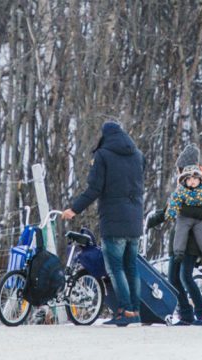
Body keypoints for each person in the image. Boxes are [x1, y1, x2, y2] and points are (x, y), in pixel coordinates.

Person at [61, 121, 144, 327]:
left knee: (116, 268)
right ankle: (135, 311)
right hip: (135, 220)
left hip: (114, 220)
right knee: (131, 267)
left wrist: (74, 209)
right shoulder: (137, 155)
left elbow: (94, 188)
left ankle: (125, 310)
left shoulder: (103, 155)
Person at [147, 144, 202, 326]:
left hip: (193, 241)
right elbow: (170, 209)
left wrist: (181, 207)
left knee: (185, 276)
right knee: (173, 279)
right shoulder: (182, 186)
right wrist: (152, 220)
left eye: (180, 169)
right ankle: (186, 314)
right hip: (178, 240)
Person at [164, 164, 202, 263]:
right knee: (181, 231)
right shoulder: (181, 190)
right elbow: (174, 202)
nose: (192, 181)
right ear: (184, 181)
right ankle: (179, 252)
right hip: (184, 217)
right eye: (188, 179)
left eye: (194, 178)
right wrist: (170, 214)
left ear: (200, 179)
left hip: (199, 217)